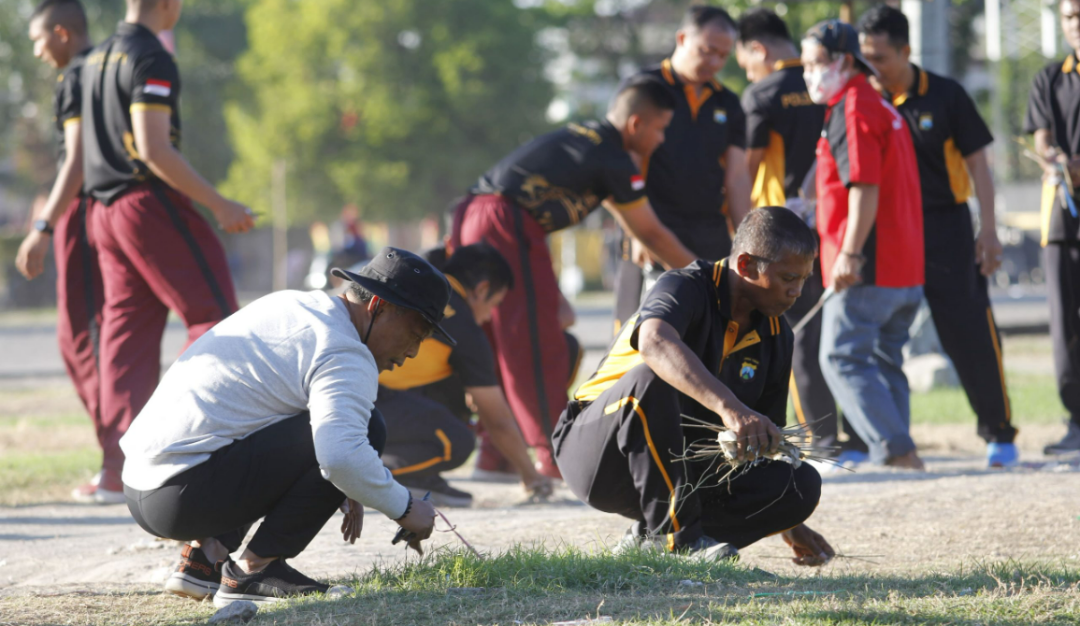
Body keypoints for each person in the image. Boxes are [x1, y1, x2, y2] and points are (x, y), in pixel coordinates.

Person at [121, 248, 443, 606]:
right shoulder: (346, 350)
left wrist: (351, 479)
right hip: (182, 495)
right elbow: (340, 456)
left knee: (341, 430)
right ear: (379, 306)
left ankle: (204, 559)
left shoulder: (295, 304)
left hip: (143, 482)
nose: (413, 352)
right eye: (415, 333)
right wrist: (406, 507)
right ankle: (253, 571)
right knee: (368, 428)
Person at [449, 76, 697, 479]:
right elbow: (651, 232)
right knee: (533, 342)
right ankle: (552, 453)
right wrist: (707, 278)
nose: (662, 139)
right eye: (660, 128)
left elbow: (635, 227)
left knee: (507, 341)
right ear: (635, 124)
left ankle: (496, 454)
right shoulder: (613, 156)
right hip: (504, 220)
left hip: (475, 214)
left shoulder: (589, 142)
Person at [554, 207, 832, 562]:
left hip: (678, 469)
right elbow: (653, 342)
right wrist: (731, 408)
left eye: (805, 279)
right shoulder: (684, 285)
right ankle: (676, 541)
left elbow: (762, 443)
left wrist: (788, 519)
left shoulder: (778, 336)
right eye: (788, 277)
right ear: (745, 265)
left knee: (800, 484)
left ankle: (653, 542)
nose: (797, 291)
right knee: (653, 376)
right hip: (597, 450)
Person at [79, 0, 254, 501]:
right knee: (215, 318)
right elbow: (154, 149)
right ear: (166, 3)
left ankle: (118, 470)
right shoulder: (151, 57)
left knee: (124, 337)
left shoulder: (91, 60)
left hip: (102, 212)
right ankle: (187, 446)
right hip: (145, 205)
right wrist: (219, 204)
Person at [858, 5, 1018, 467]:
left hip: (945, 227)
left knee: (969, 332)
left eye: (881, 58)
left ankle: (999, 436)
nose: (872, 69)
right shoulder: (862, 100)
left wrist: (987, 229)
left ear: (906, 51)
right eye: (864, 59)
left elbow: (979, 167)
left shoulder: (946, 96)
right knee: (876, 337)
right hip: (885, 229)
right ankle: (879, 441)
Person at [735, 7, 867, 460]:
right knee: (846, 332)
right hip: (837, 226)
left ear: (757, 49)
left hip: (781, 232)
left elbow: (745, 168)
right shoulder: (837, 91)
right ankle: (860, 436)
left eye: (743, 61)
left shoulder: (761, 93)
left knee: (799, 334)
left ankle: (821, 441)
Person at [802, 20, 926, 469]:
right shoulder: (879, 104)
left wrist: (850, 252)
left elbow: (864, 185)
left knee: (841, 356)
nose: (809, 73)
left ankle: (896, 452)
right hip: (904, 264)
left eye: (817, 63)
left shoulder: (852, 106)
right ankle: (901, 451)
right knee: (883, 359)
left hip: (869, 264)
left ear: (845, 61)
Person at [16, 0, 109, 501]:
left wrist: (43, 226)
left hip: (86, 212)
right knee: (95, 341)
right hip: (102, 210)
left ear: (61, 32)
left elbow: (75, 160)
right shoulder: (108, 67)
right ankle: (113, 460)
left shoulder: (78, 75)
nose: (36, 51)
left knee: (87, 341)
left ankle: (115, 463)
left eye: (38, 40)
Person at [377, 244, 555, 506]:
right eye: (494, 304)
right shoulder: (463, 325)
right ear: (482, 289)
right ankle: (367, 475)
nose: (487, 317)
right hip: (366, 401)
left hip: (346, 394)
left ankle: (417, 474)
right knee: (456, 440)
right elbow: (497, 420)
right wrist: (532, 477)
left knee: (455, 393)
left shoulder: (421, 279)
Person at [613, 5, 753, 328]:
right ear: (681, 38)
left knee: (709, 333)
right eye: (707, 51)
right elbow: (626, 163)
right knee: (643, 336)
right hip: (652, 231)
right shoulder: (642, 89)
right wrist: (638, 233)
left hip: (710, 236)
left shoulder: (728, 103)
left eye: (723, 55)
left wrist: (746, 237)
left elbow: (737, 177)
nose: (714, 63)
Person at [1025, 0, 1080, 456]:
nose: (1075, 24)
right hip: (1062, 221)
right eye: (1069, 17)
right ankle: (1075, 421)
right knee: (1065, 331)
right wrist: (1056, 159)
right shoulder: (1050, 77)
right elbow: (1041, 136)